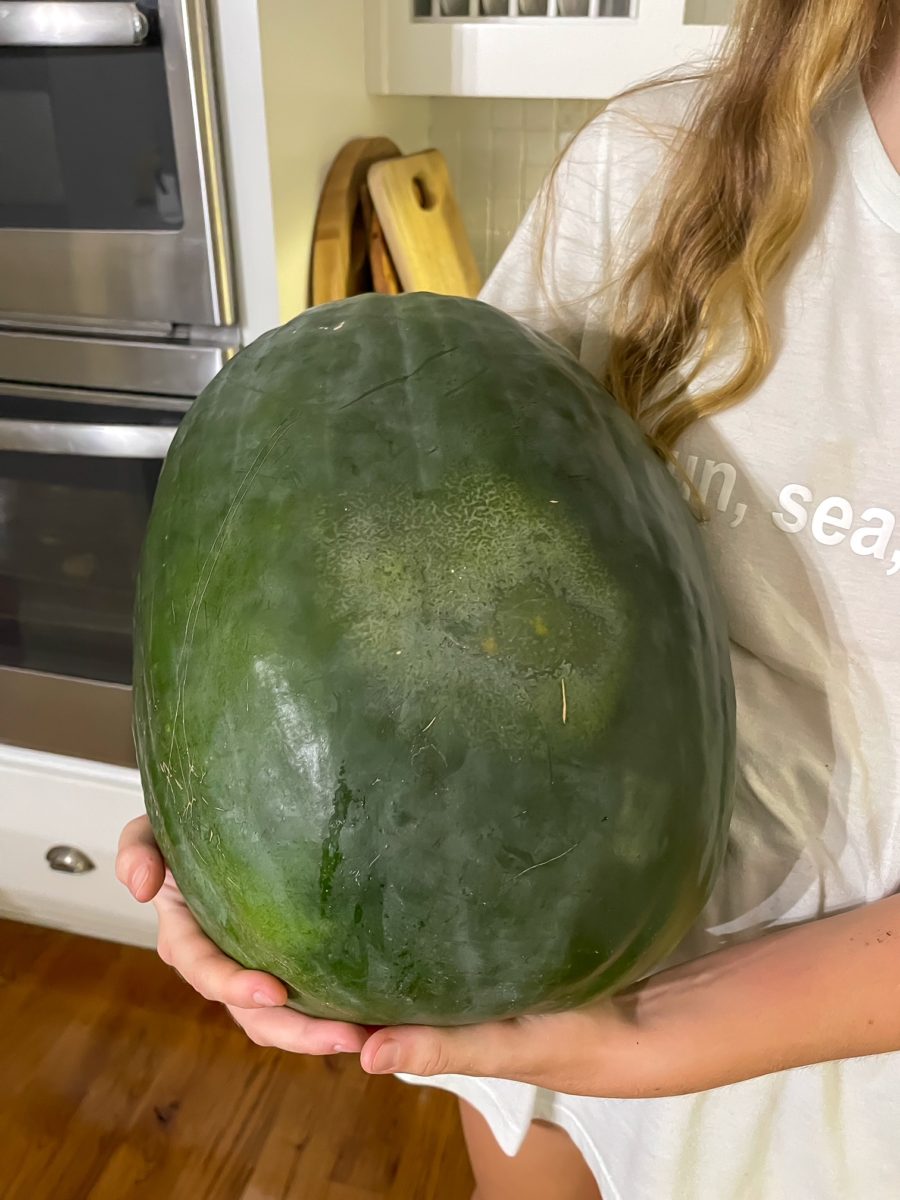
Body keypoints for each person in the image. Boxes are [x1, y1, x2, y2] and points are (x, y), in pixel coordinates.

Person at [116, 0, 900, 1195]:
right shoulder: (653, 173)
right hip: (554, 1022)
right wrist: (229, 769)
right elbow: (428, 575)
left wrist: (667, 1027)